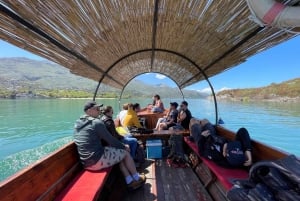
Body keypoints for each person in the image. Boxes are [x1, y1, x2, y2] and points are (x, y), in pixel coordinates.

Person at [74, 100, 146, 190]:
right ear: (89, 111)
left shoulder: (78, 123)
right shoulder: (96, 123)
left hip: (85, 162)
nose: (99, 110)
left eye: (99, 108)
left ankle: (129, 180)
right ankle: (136, 178)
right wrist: (124, 146)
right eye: (96, 109)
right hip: (96, 161)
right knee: (125, 152)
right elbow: (111, 140)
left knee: (118, 153)